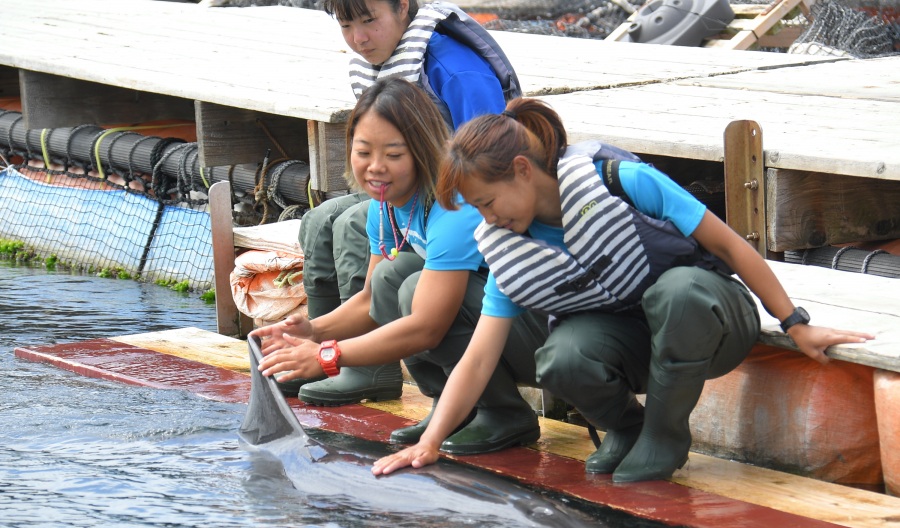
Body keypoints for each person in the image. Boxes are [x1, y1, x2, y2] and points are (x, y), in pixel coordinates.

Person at [371, 97, 875, 483]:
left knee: (675, 292)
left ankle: (664, 433)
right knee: (561, 355)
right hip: (633, 342)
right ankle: (627, 428)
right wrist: (433, 440)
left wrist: (795, 322)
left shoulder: (617, 180)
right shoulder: (509, 245)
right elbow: (479, 357)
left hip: (711, 319)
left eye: (488, 201)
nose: (489, 219)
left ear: (523, 170)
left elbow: (730, 247)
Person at [255, 78, 547, 454]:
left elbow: (427, 327)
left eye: (394, 155)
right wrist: (311, 331)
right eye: (364, 152)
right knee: (393, 279)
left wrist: (328, 355)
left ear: (422, 151)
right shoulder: (386, 200)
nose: (376, 168)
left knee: (411, 289)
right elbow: (371, 300)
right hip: (494, 329)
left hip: (536, 333)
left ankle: (502, 411)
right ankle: (453, 405)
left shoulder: (453, 202)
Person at [293, 0, 521, 405]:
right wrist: (307, 333)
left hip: (461, 196)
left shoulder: (456, 72)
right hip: (416, 187)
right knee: (320, 219)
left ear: (402, 8)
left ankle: (365, 366)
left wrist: (325, 349)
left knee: (351, 227)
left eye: (369, 21)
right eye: (346, 25)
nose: (359, 38)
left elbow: (491, 163)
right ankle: (316, 360)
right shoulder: (382, 57)